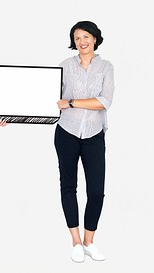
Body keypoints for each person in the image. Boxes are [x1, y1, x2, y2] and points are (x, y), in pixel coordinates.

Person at [54, 20, 115, 263]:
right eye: (77, 37)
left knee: (96, 191)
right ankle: (76, 242)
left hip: (93, 134)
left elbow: (104, 101)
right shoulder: (64, 66)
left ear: (95, 39)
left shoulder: (106, 67)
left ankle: (90, 241)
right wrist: (8, 115)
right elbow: (46, 97)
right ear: (74, 42)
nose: (82, 41)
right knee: (68, 187)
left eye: (86, 36)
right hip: (66, 132)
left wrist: (70, 102)